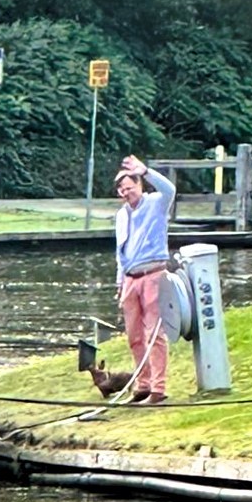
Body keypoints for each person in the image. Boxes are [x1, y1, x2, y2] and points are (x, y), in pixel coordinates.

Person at [92, 153, 177, 404]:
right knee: (134, 336)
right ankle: (143, 385)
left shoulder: (156, 203)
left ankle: (158, 389)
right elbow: (121, 251)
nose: (126, 193)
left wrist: (146, 170)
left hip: (153, 275)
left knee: (154, 334)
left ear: (140, 185)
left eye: (130, 188)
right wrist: (120, 282)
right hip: (130, 278)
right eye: (122, 190)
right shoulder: (122, 215)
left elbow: (170, 189)